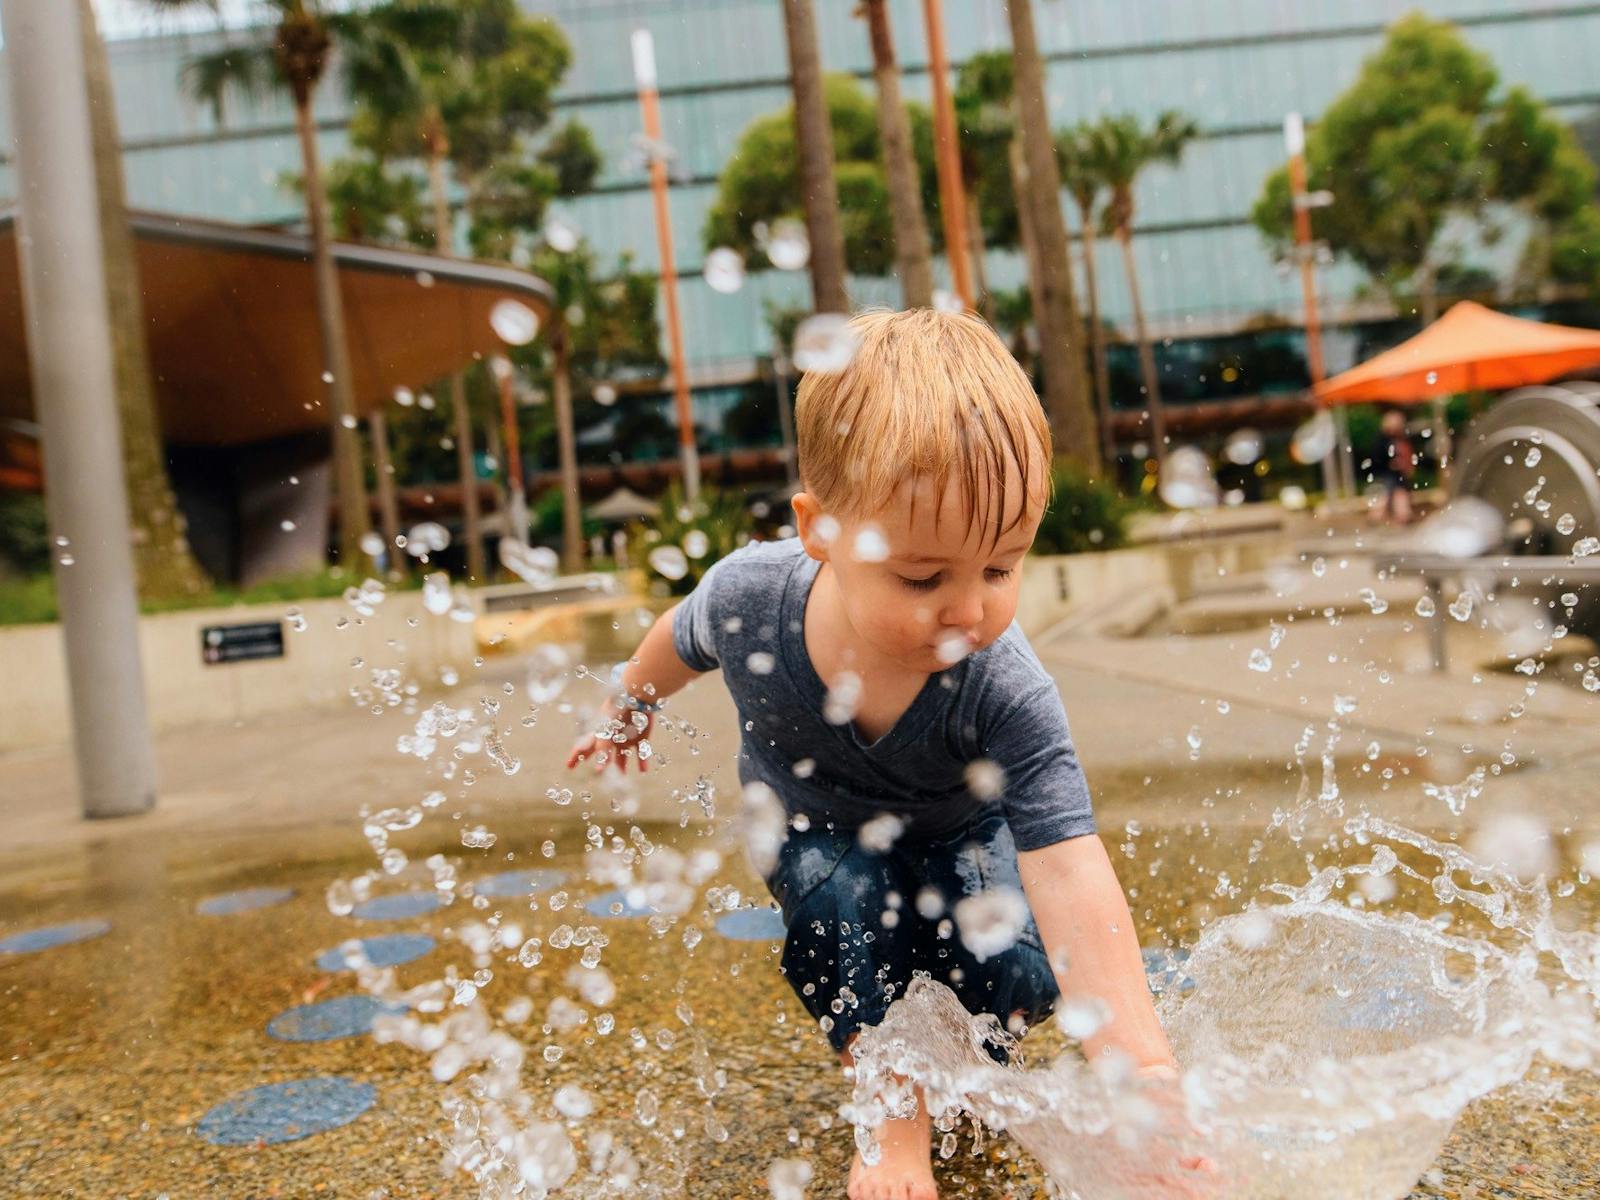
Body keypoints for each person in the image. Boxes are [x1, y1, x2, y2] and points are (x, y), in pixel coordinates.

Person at [569, 309, 1202, 1199]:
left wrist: (1146, 1074)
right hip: (812, 826)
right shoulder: (752, 599)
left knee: (1010, 957)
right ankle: (892, 1115)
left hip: (958, 833)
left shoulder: (1005, 687)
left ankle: (970, 1053)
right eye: (922, 577)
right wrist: (628, 706)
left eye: (1001, 567)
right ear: (819, 530)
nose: (968, 610)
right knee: (849, 914)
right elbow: (678, 638)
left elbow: (1067, 869)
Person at [1373, 408, 1416, 525]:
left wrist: (1406, 465)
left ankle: (1401, 515)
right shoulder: (1384, 440)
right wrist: (1391, 463)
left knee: (1394, 493)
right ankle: (1402, 514)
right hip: (1388, 472)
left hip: (1397, 472)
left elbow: (1408, 454)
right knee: (1392, 493)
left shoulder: (1400, 438)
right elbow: (1378, 457)